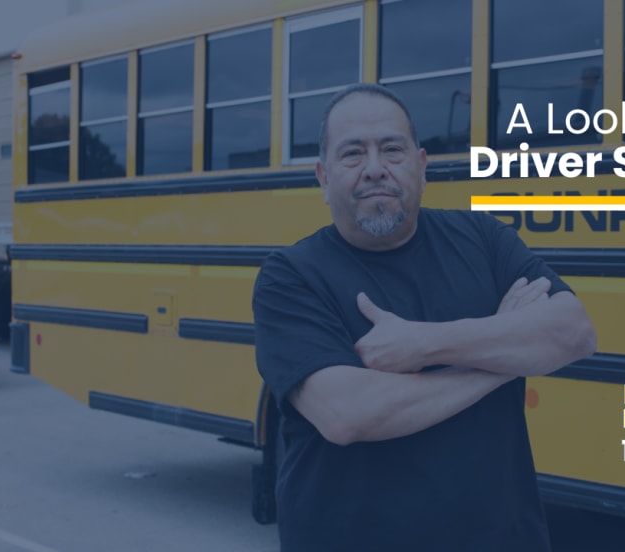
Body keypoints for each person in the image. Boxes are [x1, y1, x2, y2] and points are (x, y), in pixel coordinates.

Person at [252, 83, 596, 552]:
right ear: (323, 176)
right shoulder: (291, 275)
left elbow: (574, 332)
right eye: (353, 154)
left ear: (421, 164)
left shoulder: (482, 237)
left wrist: (424, 344)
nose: (375, 169)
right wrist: (505, 358)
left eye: (392, 149)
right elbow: (348, 414)